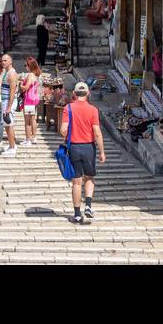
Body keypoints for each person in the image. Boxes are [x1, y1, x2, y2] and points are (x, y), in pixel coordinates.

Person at [59, 82, 106, 224]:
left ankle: (77, 214)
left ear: (74, 93)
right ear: (88, 94)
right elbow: (97, 133)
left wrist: (68, 134)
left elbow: (63, 130)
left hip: (73, 147)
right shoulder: (93, 110)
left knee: (77, 181)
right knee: (90, 177)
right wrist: (102, 151)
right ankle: (89, 206)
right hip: (88, 148)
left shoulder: (68, 108)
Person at [0, 54, 20, 156]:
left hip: (8, 101)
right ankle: (12, 144)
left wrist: (8, 107)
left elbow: (12, 92)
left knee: (8, 124)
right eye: (2, 60)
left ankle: (12, 148)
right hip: (4, 100)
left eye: (5, 60)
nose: (3, 62)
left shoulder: (11, 74)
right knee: (6, 125)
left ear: (10, 61)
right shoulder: (6, 72)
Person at [21, 57, 42, 146]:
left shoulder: (30, 75)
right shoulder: (36, 75)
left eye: (26, 65)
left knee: (27, 121)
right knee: (33, 119)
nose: (25, 67)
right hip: (34, 99)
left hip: (28, 100)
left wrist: (21, 85)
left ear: (30, 66)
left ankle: (28, 139)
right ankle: (34, 137)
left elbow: (26, 88)